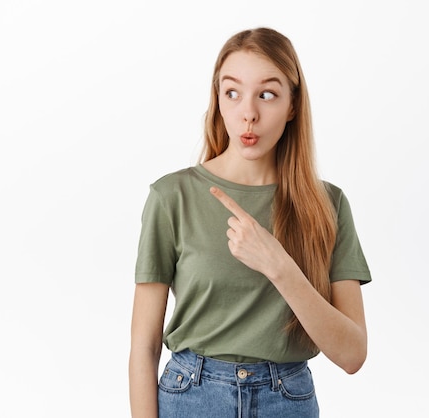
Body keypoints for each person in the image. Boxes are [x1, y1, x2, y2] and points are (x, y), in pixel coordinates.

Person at [128, 27, 371, 418]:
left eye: (268, 94)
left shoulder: (328, 205)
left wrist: (279, 266)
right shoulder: (172, 197)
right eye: (232, 92)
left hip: (287, 399)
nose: (249, 113)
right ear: (218, 100)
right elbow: (144, 347)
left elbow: (352, 354)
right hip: (192, 396)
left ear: (293, 104)